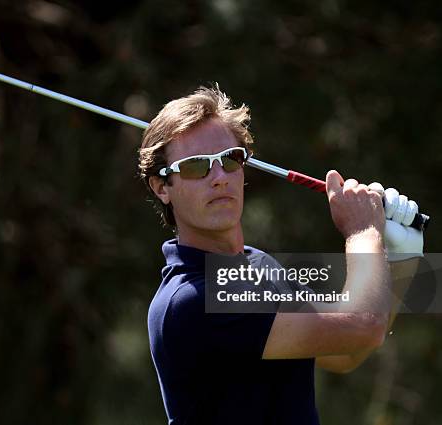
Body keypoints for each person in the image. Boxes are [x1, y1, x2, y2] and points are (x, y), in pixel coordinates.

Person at [138, 86, 424, 424]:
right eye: (196, 167)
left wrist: (402, 257)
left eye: (230, 160)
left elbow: (346, 352)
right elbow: (364, 326)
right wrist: (363, 231)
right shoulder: (189, 300)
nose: (219, 178)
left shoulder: (258, 265)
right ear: (162, 187)